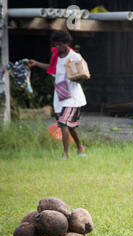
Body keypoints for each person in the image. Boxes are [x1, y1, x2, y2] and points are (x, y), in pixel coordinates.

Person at [28, 29, 86, 160]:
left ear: (66, 43)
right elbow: (52, 68)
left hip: (72, 97)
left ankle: (65, 154)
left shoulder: (74, 57)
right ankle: (80, 146)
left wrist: (76, 77)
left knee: (64, 124)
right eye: (56, 45)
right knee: (69, 126)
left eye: (60, 44)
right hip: (60, 96)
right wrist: (36, 63)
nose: (57, 47)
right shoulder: (57, 56)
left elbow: (83, 75)